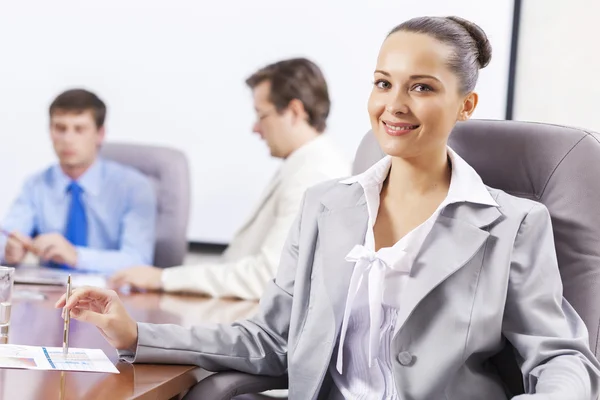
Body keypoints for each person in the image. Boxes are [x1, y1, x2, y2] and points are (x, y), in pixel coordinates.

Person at [57, 16, 600, 399]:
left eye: (423, 87)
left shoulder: (513, 223)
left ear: (466, 105)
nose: (395, 104)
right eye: (383, 83)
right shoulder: (326, 205)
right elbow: (271, 340)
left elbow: (562, 358)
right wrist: (136, 335)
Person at [109, 58, 349, 300]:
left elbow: (268, 276)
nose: (255, 128)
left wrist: (163, 279)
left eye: (261, 115)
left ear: (294, 112)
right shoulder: (303, 164)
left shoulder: (314, 173)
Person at [1, 89, 157, 274]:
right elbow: (10, 233)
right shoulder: (35, 185)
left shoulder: (134, 188)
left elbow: (138, 260)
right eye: (60, 128)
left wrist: (76, 256)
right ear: (50, 131)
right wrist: (8, 250)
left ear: (100, 134)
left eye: (79, 129)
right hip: (49, 294)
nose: (68, 139)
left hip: (110, 295)